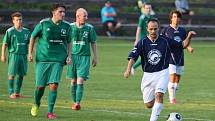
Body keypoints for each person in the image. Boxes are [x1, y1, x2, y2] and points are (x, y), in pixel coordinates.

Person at [124, 18, 194, 121]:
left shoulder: (165, 40)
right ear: (147, 29)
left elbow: (182, 45)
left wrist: (189, 36)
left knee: (159, 95)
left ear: (159, 29)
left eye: (155, 29)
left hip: (163, 72)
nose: (153, 31)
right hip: (148, 75)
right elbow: (133, 56)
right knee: (149, 104)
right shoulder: (142, 42)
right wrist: (128, 69)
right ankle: (155, 108)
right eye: (151, 29)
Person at [28, 3, 72, 119]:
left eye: (64, 12)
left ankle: (50, 112)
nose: (63, 14)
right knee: (40, 87)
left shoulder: (67, 26)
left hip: (58, 60)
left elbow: (69, 41)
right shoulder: (43, 23)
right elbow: (33, 36)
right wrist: (30, 53)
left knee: (54, 85)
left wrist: (69, 55)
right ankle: (36, 103)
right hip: (43, 59)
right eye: (60, 12)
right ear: (53, 12)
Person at [161, 10, 196, 104]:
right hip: (170, 57)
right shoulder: (166, 30)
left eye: (178, 17)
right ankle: (172, 99)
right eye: (174, 17)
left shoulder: (182, 30)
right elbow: (161, 42)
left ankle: (172, 95)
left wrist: (189, 47)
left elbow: (185, 42)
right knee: (172, 78)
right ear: (171, 18)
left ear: (180, 19)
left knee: (177, 81)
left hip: (180, 56)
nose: (176, 19)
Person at [67, 8, 97, 111]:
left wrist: (95, 57)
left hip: (84, 57)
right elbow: (66, 42)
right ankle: (74, 101)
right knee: (73, 80)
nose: (86, 18)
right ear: (78, 16)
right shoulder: (70, 27)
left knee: (80, 80)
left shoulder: (89, 28)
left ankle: (77, 103)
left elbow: (93, 42)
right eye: (84, 16)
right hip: (72, 57)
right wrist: (67, 55)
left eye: (86, 16)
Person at [1, 12, 30, 99]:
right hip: (14, 55)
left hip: (23, 55)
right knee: (12, 74)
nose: (19, 21)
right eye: (17, 20)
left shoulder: (26, 31)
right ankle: (11, 93)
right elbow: (5, 44)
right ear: (13, 21)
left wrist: (30, 54)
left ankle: (17, 93)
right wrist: (2, 55)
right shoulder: (10, 31)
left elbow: (30, 43)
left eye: (20, 19)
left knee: (21, 74)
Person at [131, 3, 154, 75]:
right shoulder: (142, 17)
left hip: (149, 39)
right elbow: (138, 29)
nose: (148, 9)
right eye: (147, 8)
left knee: (147, 55)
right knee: (146, 55)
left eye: (149, 8)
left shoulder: (151, 17)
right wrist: (136, 40)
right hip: (143, 39)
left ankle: (137, 67)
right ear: (144, 9)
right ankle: (133, 67)